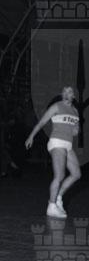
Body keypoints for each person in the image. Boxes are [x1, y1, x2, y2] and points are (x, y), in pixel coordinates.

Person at [25, 85, 81, 218]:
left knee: (76, 174)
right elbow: (41, 122)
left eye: (69, 91)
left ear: (73, 95)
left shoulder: (75, 111)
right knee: (59, 176)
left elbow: (75, 130)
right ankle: (51, 206)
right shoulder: (56, 107)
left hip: (67, 144)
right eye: (64, 91)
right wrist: (31, 136)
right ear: (62, 94)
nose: (66, 93)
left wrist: (76, 130)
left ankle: (58, 197)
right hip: (57, 142)